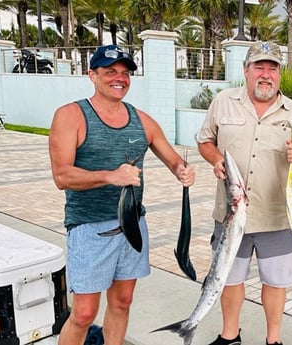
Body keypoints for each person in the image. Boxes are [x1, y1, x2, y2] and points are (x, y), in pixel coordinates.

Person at [49, 44, 195, 345]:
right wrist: (109, 176)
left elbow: (173, 159)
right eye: (110, 72)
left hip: (132, 226)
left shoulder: (141, 119)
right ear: (92, 75)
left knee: (122, 302)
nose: (119, 78)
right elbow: (61, 176)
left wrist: (183, 169)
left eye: (125, 73)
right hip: (89, 226)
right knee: (84, 313)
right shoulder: (71, 115)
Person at [197, 41, 292, 345]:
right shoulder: (223, 102)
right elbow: (204, 141)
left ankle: (274, 339)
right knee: (229, 278)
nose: (265, 74)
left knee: (276, 283)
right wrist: (215, 159)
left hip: (276, 216)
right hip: (230, 214)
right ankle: (230, 336)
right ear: (246, 70)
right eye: (259, 67)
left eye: (272, 68)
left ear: (280, 74)